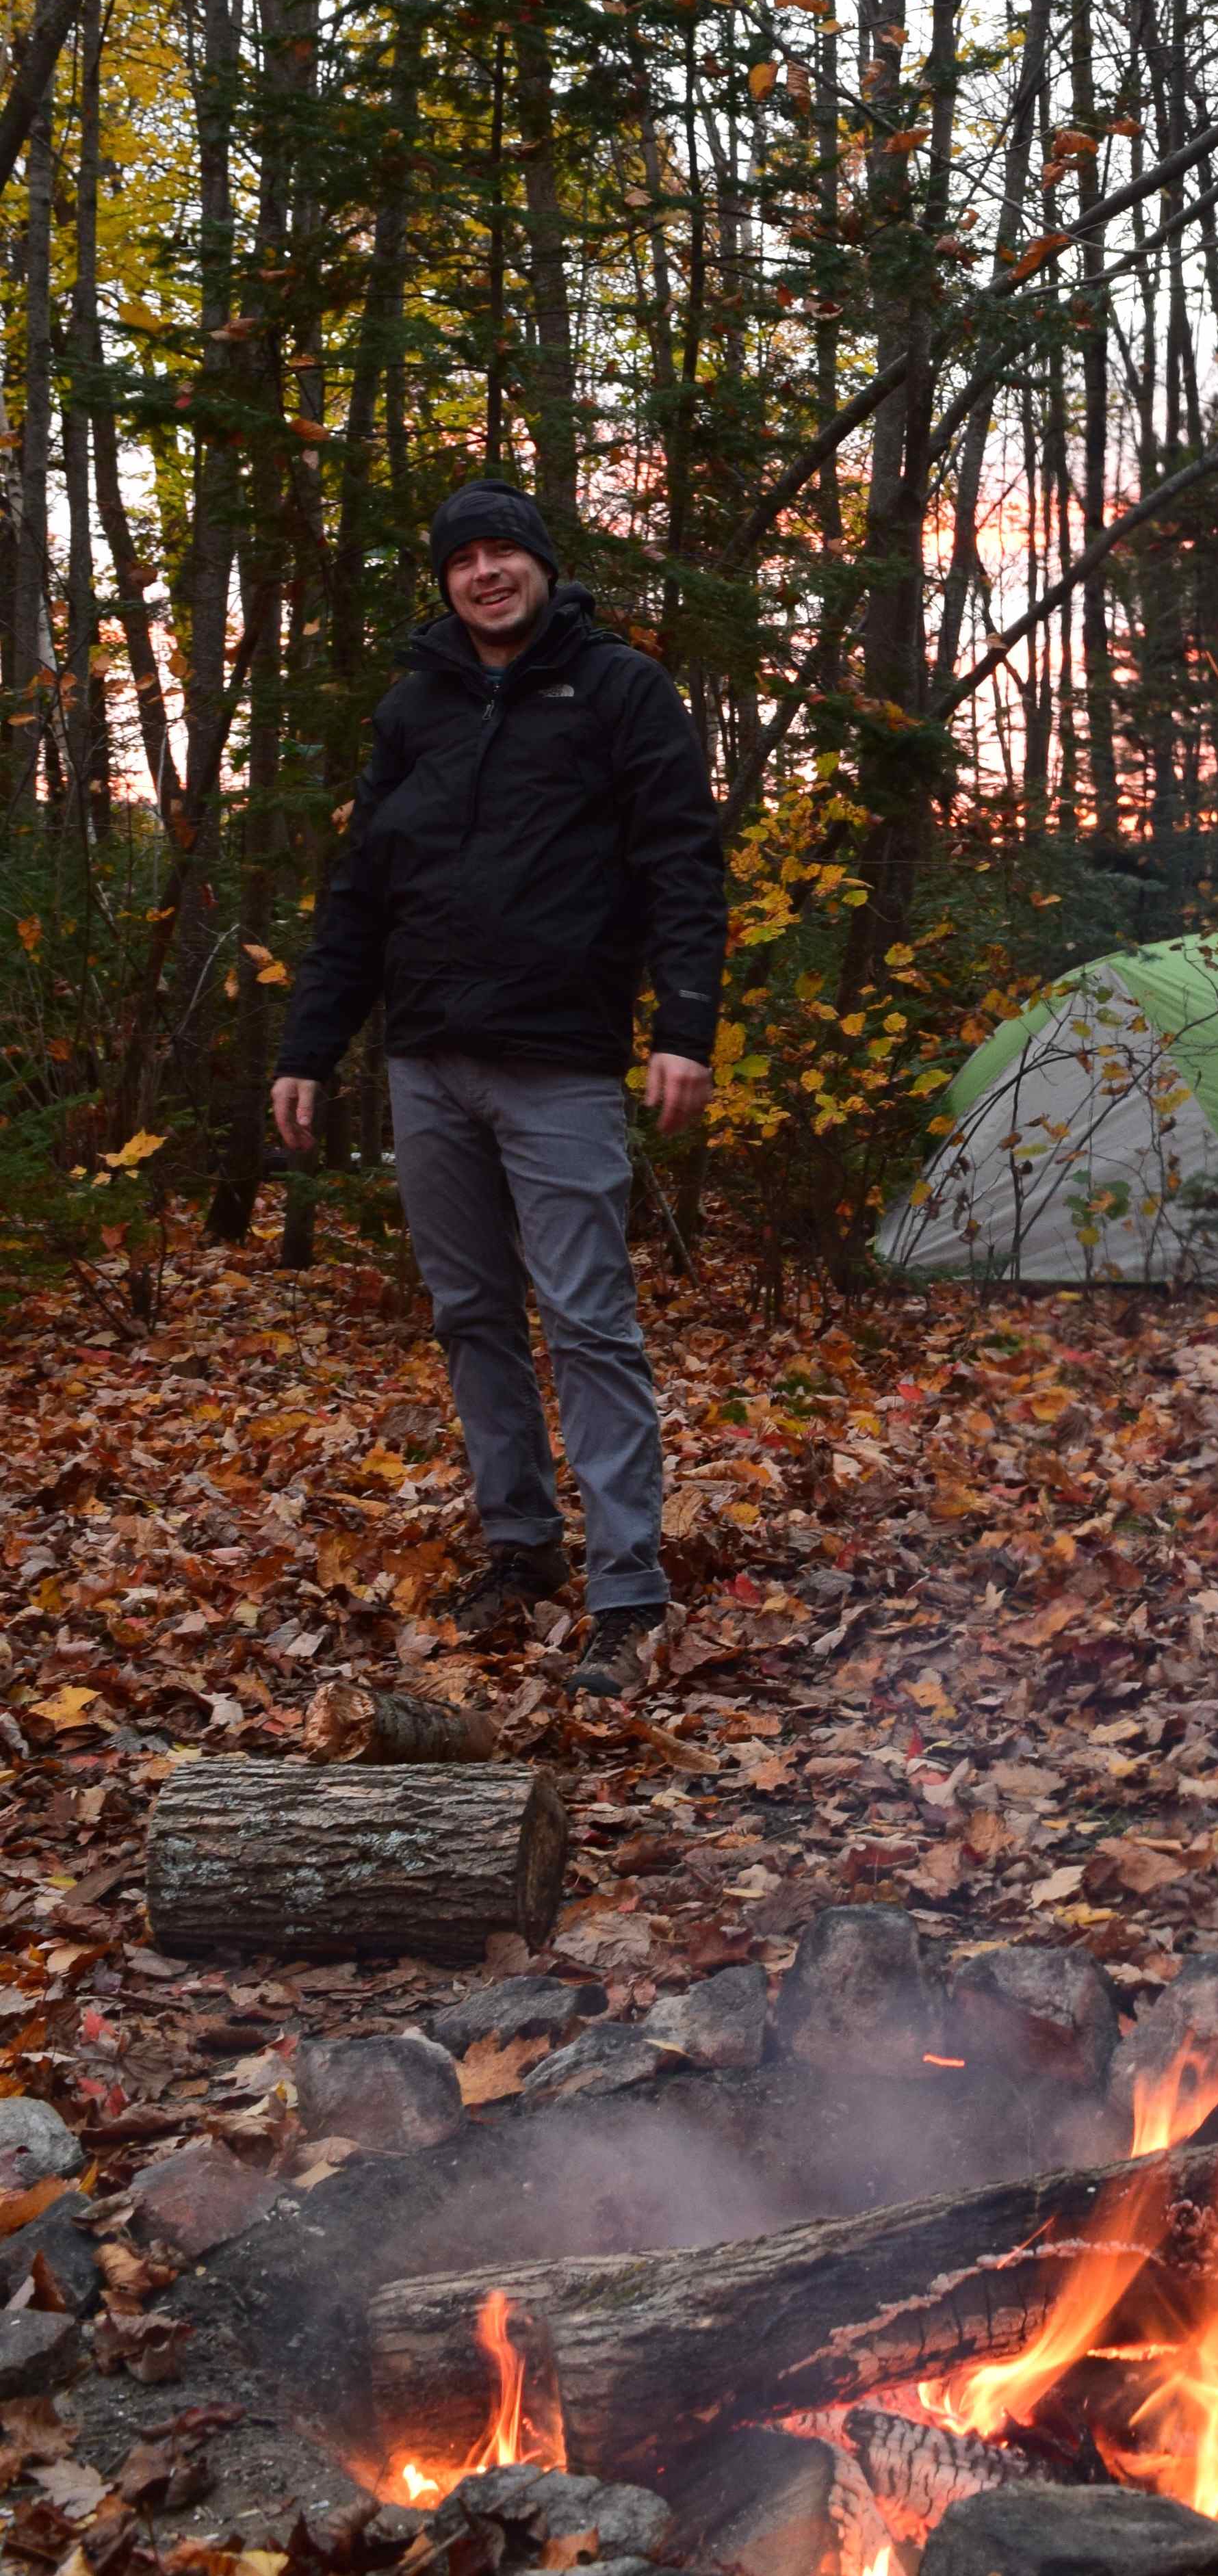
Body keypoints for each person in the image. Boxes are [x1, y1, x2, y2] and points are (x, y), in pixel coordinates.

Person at [270, 484, 727, 1699]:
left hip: (560, 1062)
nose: (485, 573)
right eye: (463, 557)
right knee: (471, 1314)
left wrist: (684, 1025)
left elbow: (683, 862)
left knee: (587, 1320)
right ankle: (521, 1548)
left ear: (542, 567)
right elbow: (360, 894)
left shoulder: (619, 689)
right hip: (427, 1060)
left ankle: (628, 1593)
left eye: (504, 552)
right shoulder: (413, 708)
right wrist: (309, 1047)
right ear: (445, 581)